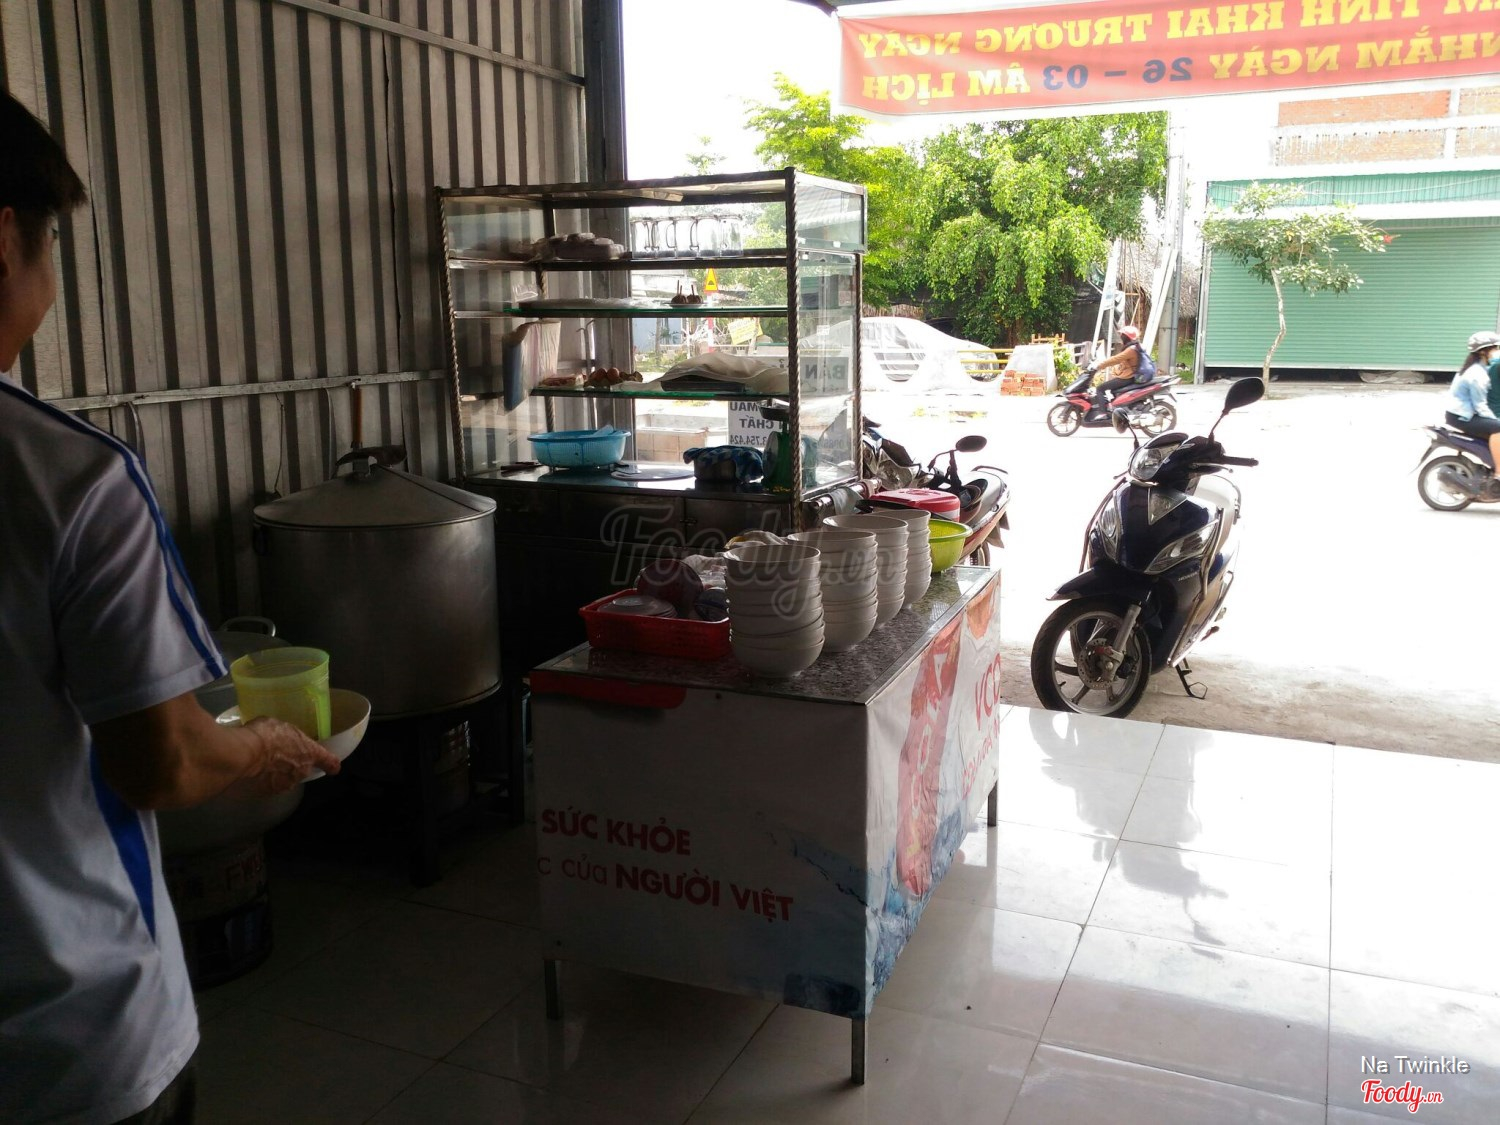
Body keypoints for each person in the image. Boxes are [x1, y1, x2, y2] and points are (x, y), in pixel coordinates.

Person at [0, 92, 341, 1124]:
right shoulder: (67, 479)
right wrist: (263, 746)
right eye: (54, 247)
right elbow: (163, 760)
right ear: (5, 240)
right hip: (66, 1029)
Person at [1438, 329, 1500, 497]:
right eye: (1494, 348)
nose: (1497, 351)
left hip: (1463, 414)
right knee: (1497, 428)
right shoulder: (1476, 374)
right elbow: (1480, 406)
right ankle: (1498, 473)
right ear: (1483, 352)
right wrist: (1495, 419)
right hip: (1461, 417)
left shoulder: (1478, 368)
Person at [1089, 325, 1156, 411]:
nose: (1120, 337)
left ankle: (1103, 413)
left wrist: (1098, 366)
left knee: (1100, 388)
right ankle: (1116, 408)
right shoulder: (1137, 346)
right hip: (1131, 375)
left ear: (1126, 337)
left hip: (1128, 377)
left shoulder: (1131, 350)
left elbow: (1116, 359)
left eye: (1122, 335)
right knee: (1112, 389)